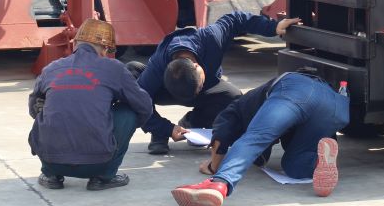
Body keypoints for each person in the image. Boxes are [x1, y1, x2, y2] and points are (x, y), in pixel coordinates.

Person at [171, 70, 350, 206]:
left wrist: (212, 166)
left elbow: (223, 134)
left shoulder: (237, 107)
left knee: (254, 138)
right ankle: (320, 160)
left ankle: (219, 184)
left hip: (295, 90)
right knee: (293, 166)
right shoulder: (254, 104)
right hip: (336, 106)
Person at [127, 11, 301, 155]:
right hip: (167, 91)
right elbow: (139, 102)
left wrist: (272, 27)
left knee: (233, 99)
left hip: (208, 87)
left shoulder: (211, 39)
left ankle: (193, 122)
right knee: (132, 76)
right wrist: (165, 127)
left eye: (199, 85)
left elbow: (236, 20)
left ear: (197, 66)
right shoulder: (158, 64)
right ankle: (159, 134)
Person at [28, 19, 153, 191]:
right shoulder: (113, 68)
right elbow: (144, 106)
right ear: (104, 49)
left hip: (51, 160)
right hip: (98, 163)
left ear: (76, 44)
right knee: (129, 111)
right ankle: (104, 177)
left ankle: (51, 175)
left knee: (43, 106)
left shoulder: (51, 69)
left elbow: (33, 108)